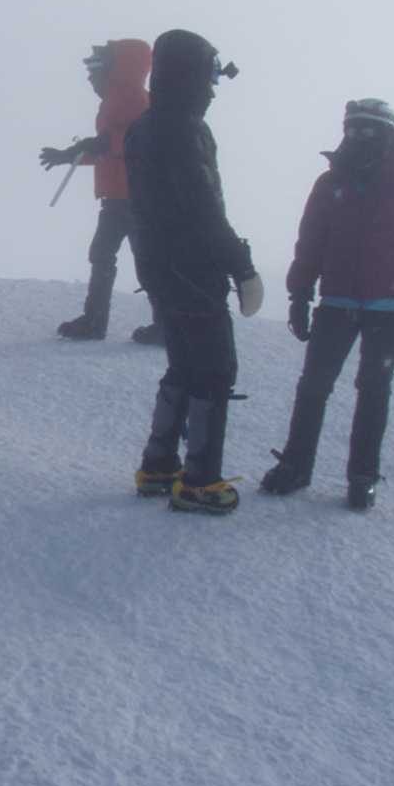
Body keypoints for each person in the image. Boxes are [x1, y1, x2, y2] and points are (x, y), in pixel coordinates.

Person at [259, 99, 394, 511]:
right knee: (314, 386)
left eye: (368, 130)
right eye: (352, 129)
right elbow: (310, 242)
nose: (358, 137)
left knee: (373, 390)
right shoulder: (330, 185)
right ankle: (296, 465)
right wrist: (299, 293)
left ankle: (362, 476)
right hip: (336, 302)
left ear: (389, 135)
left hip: (389, 308)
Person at [126, 30, 263, 513]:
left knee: (183, 365)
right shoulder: (185, 129)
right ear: (190, 77)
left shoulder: (143, 126)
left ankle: (159, 465)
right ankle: (200, 479)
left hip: (159, 267)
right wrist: (242, 266)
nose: (211, 90)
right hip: (191, 269)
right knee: (214, 369)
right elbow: (203, 208)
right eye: (209, 78)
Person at [40, 39, 162, 343]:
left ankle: (162, 325)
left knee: (143, 261)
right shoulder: (116, 99)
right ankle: (97, 321)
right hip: (121, 196)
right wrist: (70, 154)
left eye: (95, 70)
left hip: (135, 197)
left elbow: (135, 140)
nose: (90, 79)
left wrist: (93, 145)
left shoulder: (132, 97)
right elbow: (108, 147)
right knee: (110, 255)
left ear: (114, 70)